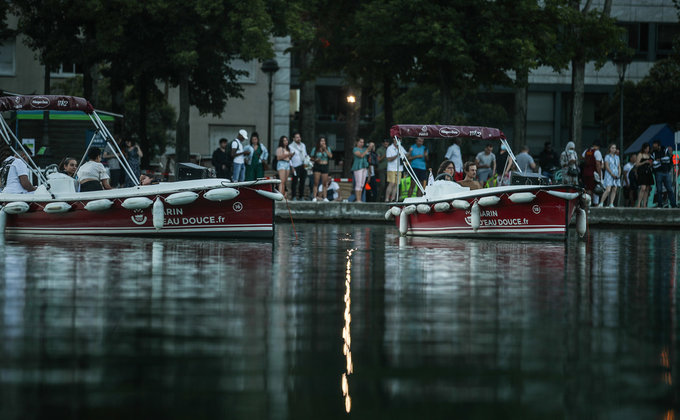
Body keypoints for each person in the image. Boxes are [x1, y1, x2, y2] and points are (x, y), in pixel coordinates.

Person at [651, 139, 678, 208]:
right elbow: (654, 164)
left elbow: (668, 159)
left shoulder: (665, 150)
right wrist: (663, 160)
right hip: (658, 173)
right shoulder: (653, 153)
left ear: (658, 145)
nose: (653, 146)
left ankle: (673, 205)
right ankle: (660, 204)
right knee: (659, 190)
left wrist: (659, 160)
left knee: (669, 189)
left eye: (655, 144)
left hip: (666, 172)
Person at [310, 136, 333, 202]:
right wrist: (316, 159)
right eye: (321, 141)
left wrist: (325, 149)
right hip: (317, 165)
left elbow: (330, 156)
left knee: (324, 183)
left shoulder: (327, 148)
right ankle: (314, 196)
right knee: (316, 182)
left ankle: (325, 197)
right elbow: (311, 157)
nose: (323, 142)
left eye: (324, 141)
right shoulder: (315, 149)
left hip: (325, 165)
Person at [598, 143, 621, 207]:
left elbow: (619, 166)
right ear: (610, 149)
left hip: (616, 174)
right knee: (608, 189)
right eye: (612, 148)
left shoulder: (617, 157)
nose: (614, 149)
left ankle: (611, 203)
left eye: (615, 148)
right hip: (609, 175)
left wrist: (619, 173)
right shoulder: (607, 156)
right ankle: (601, 202)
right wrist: (612, 173)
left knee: (614, 189)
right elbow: (607, 166)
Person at [385, 137, 406, 202]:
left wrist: (410, 152)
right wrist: (397, 155)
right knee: (391, 183)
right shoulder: (389, 148)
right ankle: (387, 198)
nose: (398, 141)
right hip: (391, 169)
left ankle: (393, 198)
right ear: (394, 140)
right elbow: (388, 159)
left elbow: (406, 155)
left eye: (399, 140)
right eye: (396, 140)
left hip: (399, 168)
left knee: (396, 184)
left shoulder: (401, 147)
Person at [289, 131, 308, 200]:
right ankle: (294, 196)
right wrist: (292, 167)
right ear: (293, 138)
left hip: (303, 165)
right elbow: (289, 158)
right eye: (297, 137)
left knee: (302, 182)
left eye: (299, 137)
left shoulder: (303, 145)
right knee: (295, 182)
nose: (298, 138)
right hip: (295, 165)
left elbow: (305, 154)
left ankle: (301, 196)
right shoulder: (290, 146)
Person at [351, 138, 370, 203]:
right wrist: (367, 149)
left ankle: (360, 199)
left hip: (364, 167)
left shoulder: (364, 149)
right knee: (358, 183)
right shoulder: (355, 149)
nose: (362, 143)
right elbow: (361, 155)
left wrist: (370, 146)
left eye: (363, 142)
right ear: (357, 142)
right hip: (358, 167)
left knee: (362, 184)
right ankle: (358, 199)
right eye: (360, 142)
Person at [634, 143, 653, 208]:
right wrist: (645, 162)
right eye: (646, 148)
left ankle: (644, 204)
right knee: (643, 188)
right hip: (642, 172)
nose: (647, 150)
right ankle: (639, 203)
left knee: (647, 189)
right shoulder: (640, 154)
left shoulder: (649, 155)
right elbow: (637, 164)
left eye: (648, 148)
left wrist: (650, 163)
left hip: (648, 172)